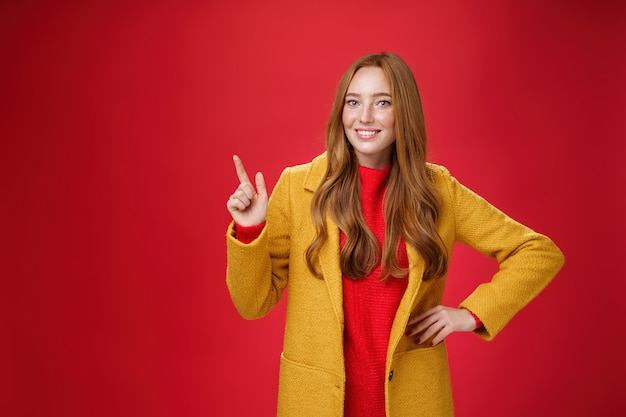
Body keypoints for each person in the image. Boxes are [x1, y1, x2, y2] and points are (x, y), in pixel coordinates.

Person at [225, 52, 564, 417]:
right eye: (353, 102)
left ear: (404, 113)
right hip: (316, 402)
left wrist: (471, 314)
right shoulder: (296, 187)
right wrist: (250, 228)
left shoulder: (438, 191)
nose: (364, 117)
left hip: (413, 402)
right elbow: (252, 303)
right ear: (341, 111)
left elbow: (538, 251)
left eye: (382, 102)